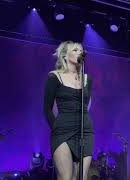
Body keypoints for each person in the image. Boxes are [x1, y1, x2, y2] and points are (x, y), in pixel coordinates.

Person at [43, 41, 94, 180]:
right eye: (76, 50)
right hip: (62, 131)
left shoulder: (87, 79)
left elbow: (87, 103)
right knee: (65, 176)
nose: (80, 52)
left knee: (80, 177)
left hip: (85, 130)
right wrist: (56, 128)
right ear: (65, 56)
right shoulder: (55, 77)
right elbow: (46, 108)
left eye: (81, 50)